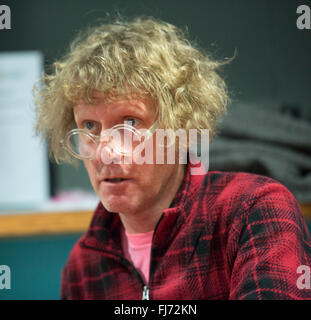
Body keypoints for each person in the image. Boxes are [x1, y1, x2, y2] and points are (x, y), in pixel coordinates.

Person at [34, 16, 311, 300]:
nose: (105, 152)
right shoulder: (83, 266)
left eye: (130, 123)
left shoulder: (253, 211)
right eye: (89, 126)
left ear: (181, 128)